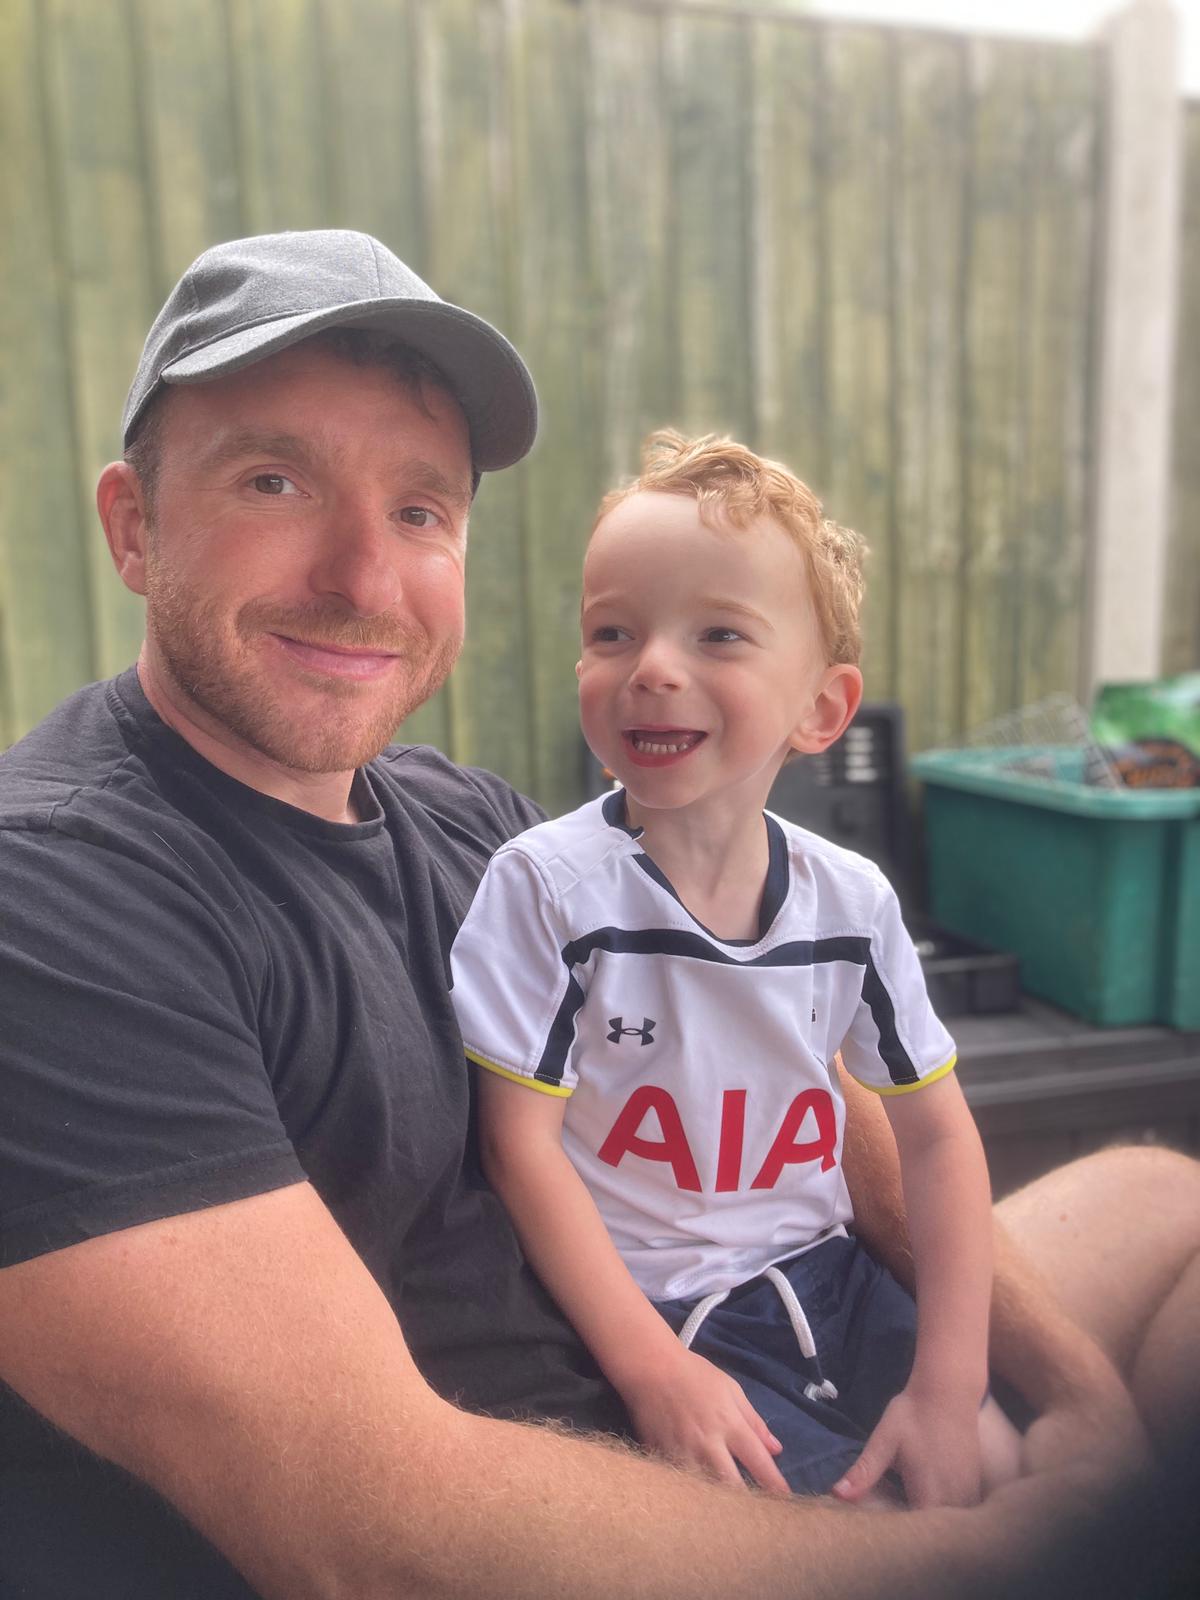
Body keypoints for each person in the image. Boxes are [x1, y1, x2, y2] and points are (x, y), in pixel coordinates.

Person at [0, 228, 1193, 1600]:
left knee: (1165, 1201)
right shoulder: (53, 900)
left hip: (743, 1340)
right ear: (134, 525)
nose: (364, 577)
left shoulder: (481, 827)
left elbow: (820, 1097)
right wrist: (1002, 1552)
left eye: (420, 509)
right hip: (592, 1521)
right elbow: (373, 1536)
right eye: (275, 480)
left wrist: (1077, 1404)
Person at [449, 430, 1022, 1505]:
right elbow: (515, 1145)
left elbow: (939, 1135)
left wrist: (950, 1383)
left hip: (838, 1281)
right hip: (665, 1314)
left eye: (719, 634)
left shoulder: (851, 904)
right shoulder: (548, 889)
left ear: (822, 709)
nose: (653, 666)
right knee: (849, 1540)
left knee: (999, 1470)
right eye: (612, 632)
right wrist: (652, 1369)